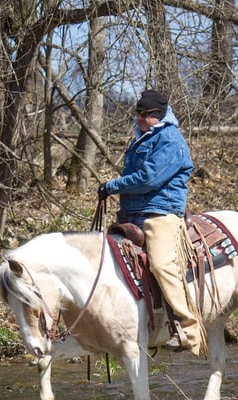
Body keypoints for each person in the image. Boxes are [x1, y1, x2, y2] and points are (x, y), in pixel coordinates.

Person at [97, 89, 203, 356]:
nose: (142, 119)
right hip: (133, 214)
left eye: (148, 115)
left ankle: (189, 329)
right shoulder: (141, 139)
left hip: (161, 213)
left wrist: (112, 186)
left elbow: (149, 179)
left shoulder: (170, 139)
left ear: (161, 115)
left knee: (160, 263)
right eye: (139, 113)